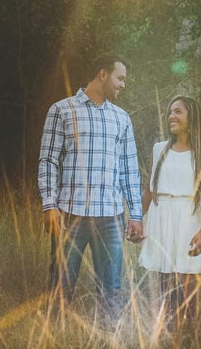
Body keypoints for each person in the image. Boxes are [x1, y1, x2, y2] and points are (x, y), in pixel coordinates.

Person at [38, 54, 144, 324]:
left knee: (111, 290)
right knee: (61, 286)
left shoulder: (122, 118)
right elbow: (48, 160)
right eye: (120, 78)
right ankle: (54, 337)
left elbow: (129, 169)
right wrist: (49, 205)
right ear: (103, 74)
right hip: (70, 215)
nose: (123, 85)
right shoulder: (62, 110)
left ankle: (109, 339)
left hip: (111, 218)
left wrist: (136, 215)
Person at [139, 95, 201, 339]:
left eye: (178, 112)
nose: (171, 116)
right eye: (170, 112)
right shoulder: (158, 149)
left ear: (191, 117)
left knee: (188, 291)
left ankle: (189, 338)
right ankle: (162, 338)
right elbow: (149, 190)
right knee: (162, 291)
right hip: (160, 219)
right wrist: (134, 220)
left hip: (189, 221)